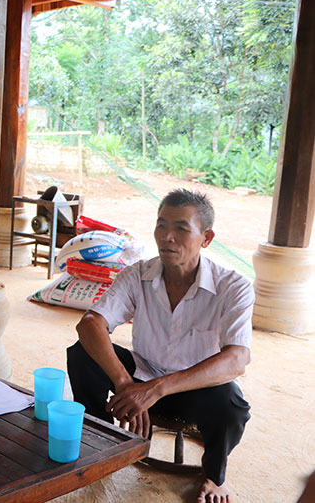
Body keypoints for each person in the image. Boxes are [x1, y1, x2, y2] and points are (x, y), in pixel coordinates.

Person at [66, 189, 252, 503]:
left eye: (181, 228)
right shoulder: (137, 274)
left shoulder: (232, 286)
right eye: (161, 225)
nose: (167, 237)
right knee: (82, 352)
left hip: (193, 389)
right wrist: (127, 384)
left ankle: (214, 476)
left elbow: (237, 359)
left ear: (206, 238)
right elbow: (90, 324)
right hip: (139, 376)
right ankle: (102, 440)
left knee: (231, 404)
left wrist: (156, 389)